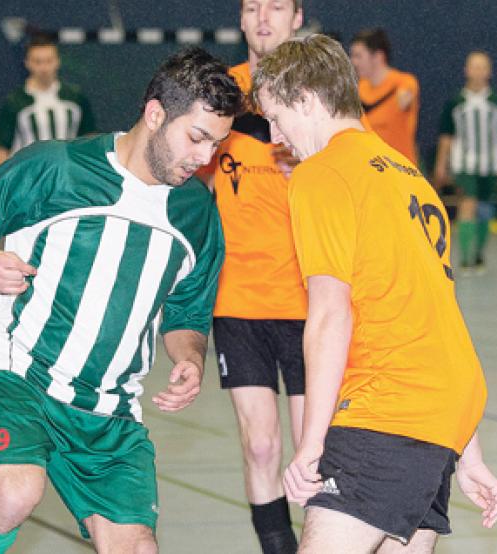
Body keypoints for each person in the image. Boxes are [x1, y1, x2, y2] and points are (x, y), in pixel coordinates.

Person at [0, 47, 242, 554]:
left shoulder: (197, 214)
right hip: (17, 367)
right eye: (197, 137)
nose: (206, 158)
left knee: (136, 547)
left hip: (109, 404)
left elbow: (187, 311)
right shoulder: (59, 169)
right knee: (13, 493)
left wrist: (189, 357)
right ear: (156, 114)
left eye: (217, 144)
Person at [252, 34, 497, 553]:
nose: (274, 135)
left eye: (277, 116)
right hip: (442, 409)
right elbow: (434, 313)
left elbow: (328, 315)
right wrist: (467, 450)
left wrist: (313, 443)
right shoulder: (407, 176)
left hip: (386, 410)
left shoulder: (321, 174)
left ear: (308, 99)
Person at [201, 1, 306, 551]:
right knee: (261, 447)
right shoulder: (220, 94)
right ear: (241, 20)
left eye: (276, 6)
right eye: (252, 6)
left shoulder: (320, 96)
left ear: (297, 16)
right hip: (237, 298)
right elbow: (177, 171)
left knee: (312, 455)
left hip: (312, 301)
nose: (263, 16)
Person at [434, 51, 497, 273]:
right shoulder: (456, 102)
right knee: (468, 204)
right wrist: (441, 163)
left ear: (489, 72)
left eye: (483, 67)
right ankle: (465, 258)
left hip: (491, 164)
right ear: (466, 70)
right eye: (474, 66)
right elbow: (446, 135)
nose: (478, 71)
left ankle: (479, 253)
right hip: (464, 163)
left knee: (486, 210)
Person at [0, 34, 96, 169]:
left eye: (48, 61)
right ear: (27, 63)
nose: (44, 68)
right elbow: (1, 149)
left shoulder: (75, 97)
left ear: (57, 61)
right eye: (38, 62)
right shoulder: (15, 102)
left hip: (67, 177)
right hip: (27, 177)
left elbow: (89, 139)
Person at [349, 28, 420, 164]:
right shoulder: (357, 89)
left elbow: (405, 98)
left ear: (378, 57)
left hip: (401, 169)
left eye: (358, 56)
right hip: (372, 169)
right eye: (352, 56)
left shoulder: (404, 83)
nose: (354, 62)